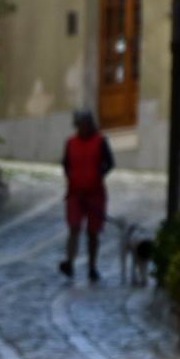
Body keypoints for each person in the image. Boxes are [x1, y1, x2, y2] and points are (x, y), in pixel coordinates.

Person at [62, 110, 115, 282]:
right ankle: (69, 262)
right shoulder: (70, 143)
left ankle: (92, 267)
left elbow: (110, 163)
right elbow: (66, 164)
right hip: (75, 194)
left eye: (85, 125)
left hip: (95, 194)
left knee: (93, 232)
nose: (82, 128)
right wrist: (72, 178)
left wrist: (98, 175)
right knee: (74, 228)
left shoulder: (100, 141)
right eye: (79, 125)